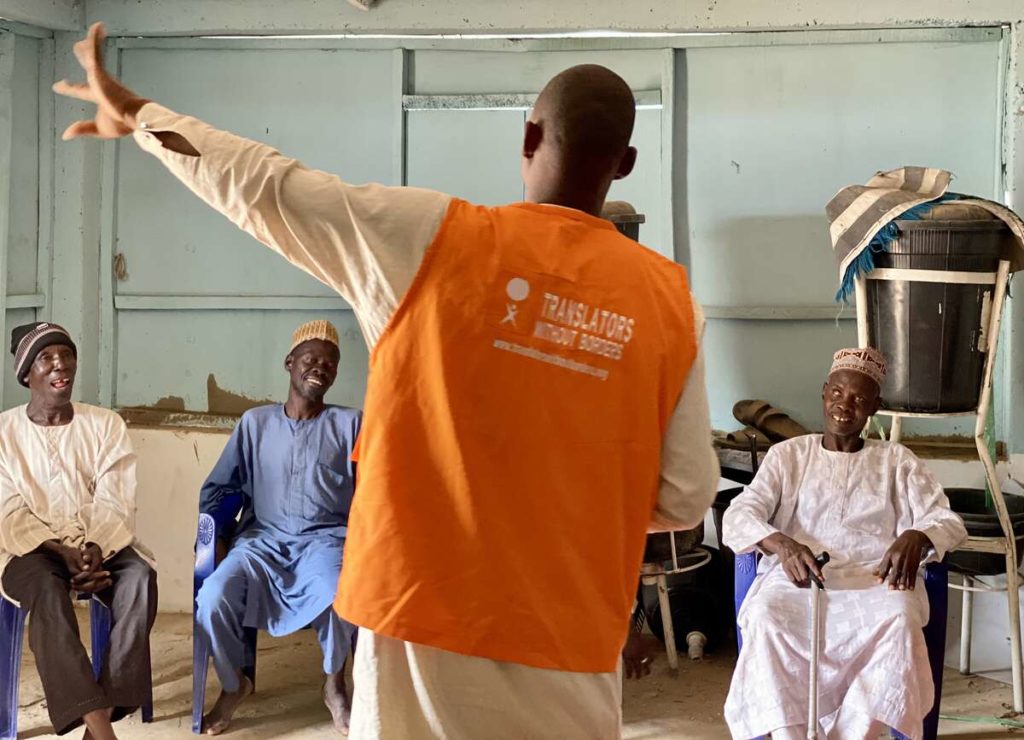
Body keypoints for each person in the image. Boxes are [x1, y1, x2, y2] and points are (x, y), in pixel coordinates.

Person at [56, 23, 719, 739]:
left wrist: (145, 118)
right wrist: (559, 501)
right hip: (572, 639)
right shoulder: (670, 303)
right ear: (625, 163)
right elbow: (683, 496)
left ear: (529, 139)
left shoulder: (433, 238)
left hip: (419, 621)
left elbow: (269, 187)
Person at [722, 347, 967, 740]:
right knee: (767, 617)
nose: (843, 405)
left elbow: (947, 519)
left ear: (875, 406)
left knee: (900, 620)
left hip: (874, 582)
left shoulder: (897, 461)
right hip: (799, 580)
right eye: (837, 393)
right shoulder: (788, 456)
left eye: (858, 398)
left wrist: (917, 534)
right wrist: (781, 544)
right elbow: (738, 514)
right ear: (823, 392)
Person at [194, 320, 360, 735]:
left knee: (343, 594)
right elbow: (220, 487)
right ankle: (235, 684)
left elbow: (373, 491)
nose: (319, 367)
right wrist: (217, 537)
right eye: (310, 358)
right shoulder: (255, 423)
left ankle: (334, 684)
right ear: (290, 363)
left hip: (325, 542)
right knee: (213, 596)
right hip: (261, 542)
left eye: (329, 362)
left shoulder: (352, 424)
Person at [0, 322, 157, 740]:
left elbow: (117, 497)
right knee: (49, 595)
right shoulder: (4, 432)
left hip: (99, 540)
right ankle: (101, 728)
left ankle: (100, 717)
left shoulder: (104, 424)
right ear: (26, 374)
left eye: (66, 355)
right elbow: (7, 511)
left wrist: (93, 547)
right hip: (31, 549)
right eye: (46, 359)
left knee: (140, 579)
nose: (60, 366)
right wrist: (58, 549)